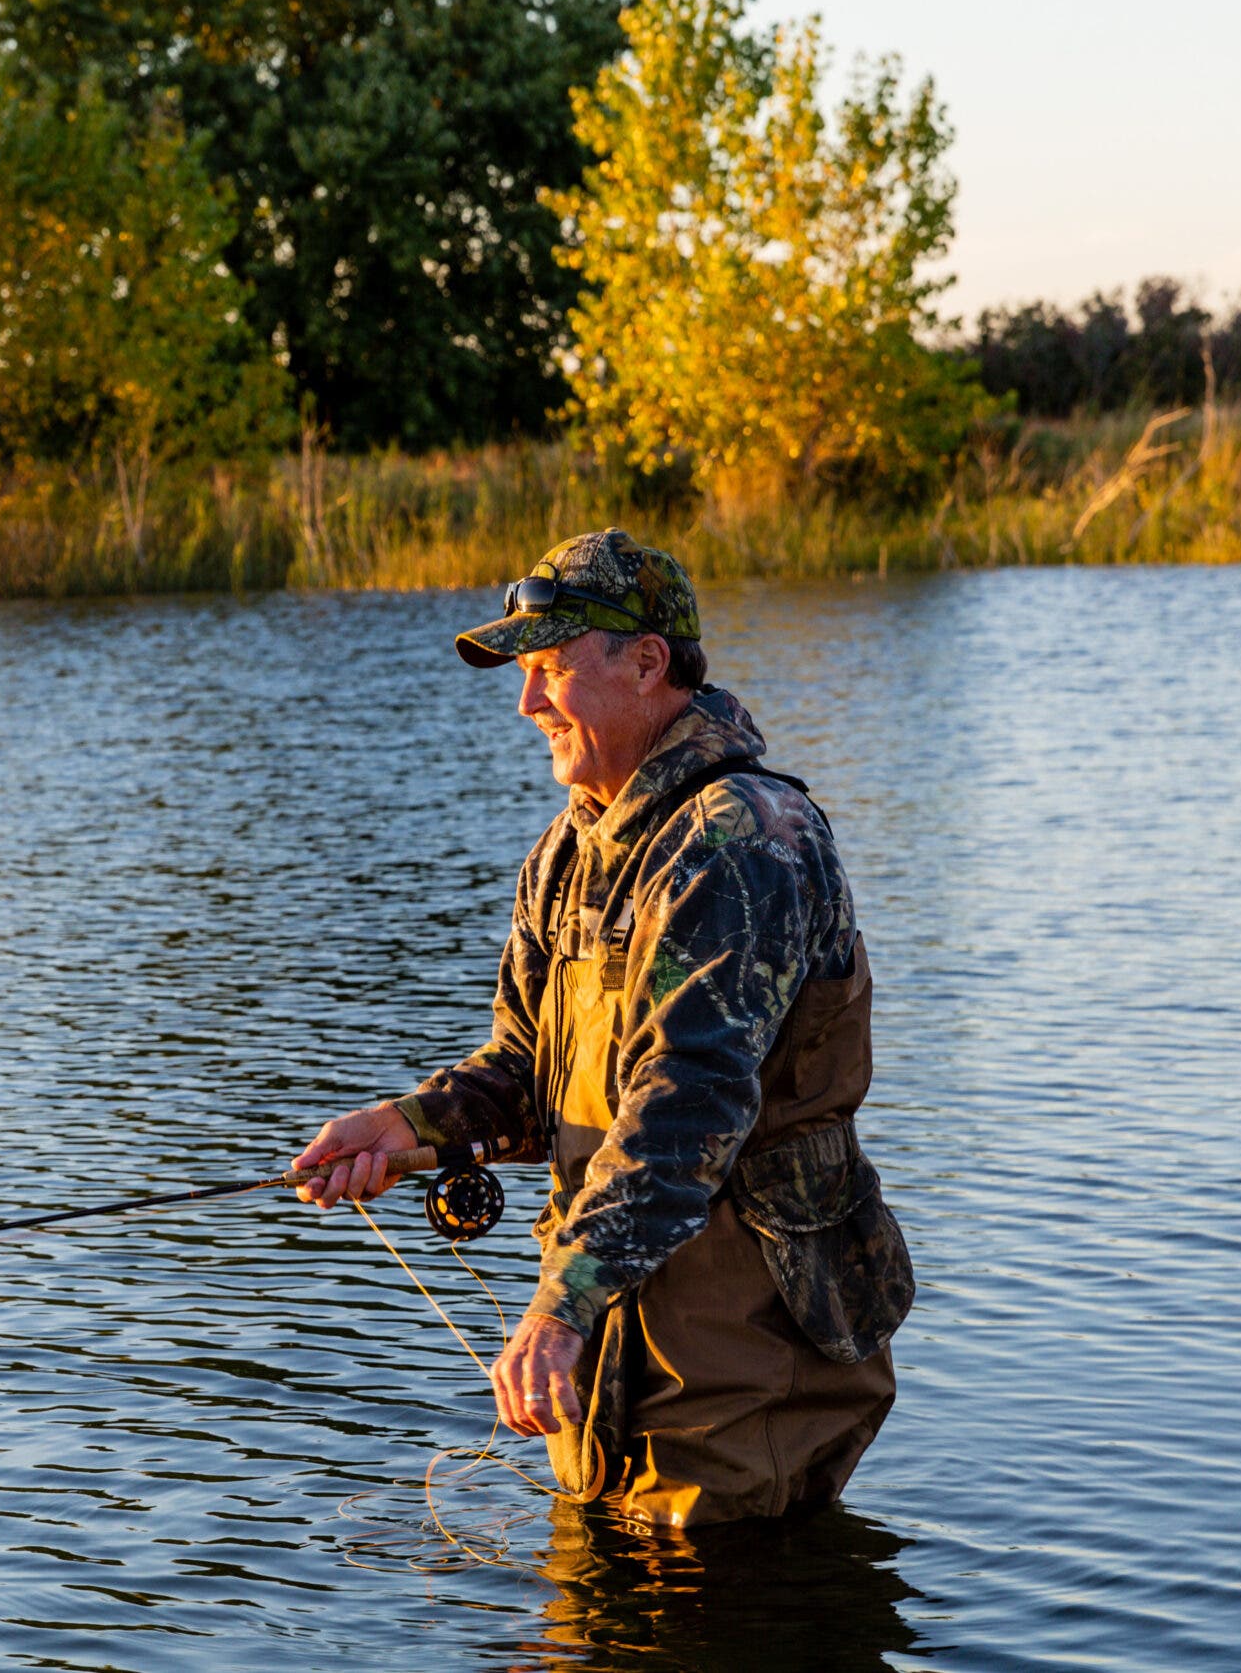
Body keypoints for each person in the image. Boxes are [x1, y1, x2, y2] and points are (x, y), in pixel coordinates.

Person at [290, 528, 914, 1529]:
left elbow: (689, 1106)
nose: (528, 704)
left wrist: (559, 1303)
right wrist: (408, 1128)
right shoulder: (571, 848)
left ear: (646, 662)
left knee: (726, 1609)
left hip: (748, 1348)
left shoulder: (740, 841)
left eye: (547, 671)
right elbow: (529, 1070)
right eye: (523, 675)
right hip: (609, 1341)